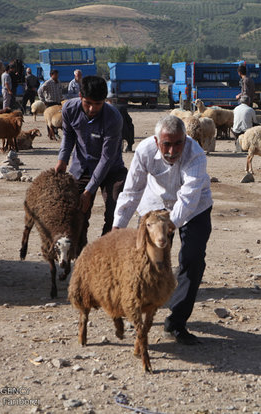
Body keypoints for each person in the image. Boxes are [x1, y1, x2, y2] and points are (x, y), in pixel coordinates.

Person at [113, 115, 213, 345]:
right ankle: (136, 307)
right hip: (155, 204)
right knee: (144, 260)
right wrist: (118, 225)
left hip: (195, 207)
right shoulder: (145, 151)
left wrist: (169, 229)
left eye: (178, 143)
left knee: (192, 258)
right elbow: (132, 189)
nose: (172, 150)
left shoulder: (195, 154)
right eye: (166, 144)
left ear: (185, 139)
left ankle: (176, 323)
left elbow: (188, 198)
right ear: (157, 140)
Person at [55, 75, 127, 247]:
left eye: (98, 104)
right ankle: (81, 257)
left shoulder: (114, 118)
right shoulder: (69, 109)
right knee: (77, 214)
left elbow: (107, 157)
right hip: (82, 167)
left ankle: (105, 251)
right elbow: (68, 136)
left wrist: (89, 191)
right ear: (80, 96)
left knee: (115, 212)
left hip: (111, 169)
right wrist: (63, 159)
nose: (93, 108)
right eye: (88, 103)